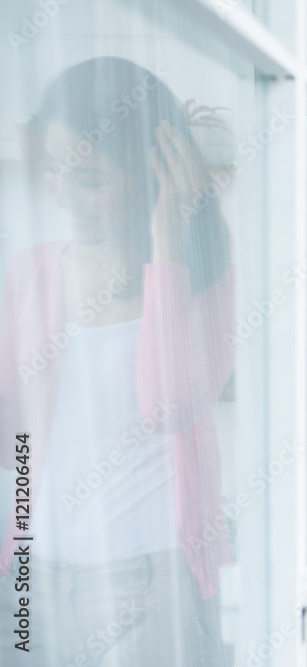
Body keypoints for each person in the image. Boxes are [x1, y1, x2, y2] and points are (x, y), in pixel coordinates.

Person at [0, 56, 234, 666]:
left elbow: (169, 404)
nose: (63, 195)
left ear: (151, 176)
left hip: (147, 578)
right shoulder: (28, 271)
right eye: (54, 171)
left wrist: (167, 246)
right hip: (29, 577)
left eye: (90, 179)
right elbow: (9, 440)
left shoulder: (203, 278)